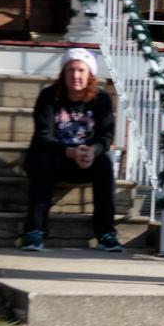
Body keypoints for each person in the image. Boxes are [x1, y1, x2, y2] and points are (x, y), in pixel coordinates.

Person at [21, 48, 120, 252]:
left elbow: (106, 136)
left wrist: (93, 151)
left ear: (90, 74)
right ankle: (34, 231)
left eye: (81, 71)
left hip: (85, 160)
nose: (75, 75)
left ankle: (106, 233)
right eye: (70, 70)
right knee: (43, 160)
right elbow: (43, 138)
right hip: (55, 159)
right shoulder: (49, 97)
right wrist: (69, 152)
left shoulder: (100, 99)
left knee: (105, 163)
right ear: (63, 73)